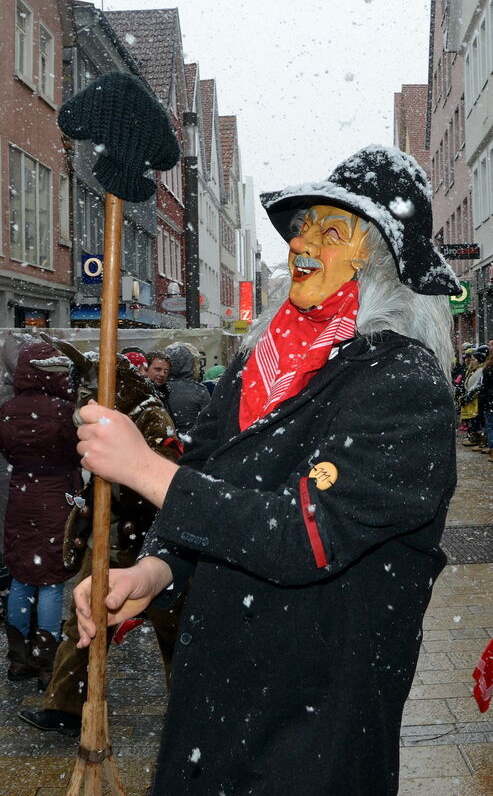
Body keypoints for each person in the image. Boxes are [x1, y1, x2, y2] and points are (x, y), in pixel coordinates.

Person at [74, 145, 459, 796]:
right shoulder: (260, 366)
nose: (302, 242)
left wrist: (142, 469)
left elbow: (305, 534)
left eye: (330, 230)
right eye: (301, 226)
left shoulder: (404, 385)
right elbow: (204, 478)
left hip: (314, 727)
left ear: (384, 264)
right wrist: (156, 568)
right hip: (209, 702)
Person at [18, 348, 186, 736]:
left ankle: (188, 709)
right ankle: (65, 705)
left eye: (92, 391)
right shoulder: (109, 415)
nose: (84, 400)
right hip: (107, 535)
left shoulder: (149, 414)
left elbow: (163, 476)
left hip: (150, 538)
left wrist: (124, 479)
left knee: (172, 627)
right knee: (86, 622)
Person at [0, 340, 81, 689]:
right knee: (50, 578)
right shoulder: (65, 410)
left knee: (21, 575)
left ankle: (18, 657)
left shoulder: (7, 409)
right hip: (55, 497)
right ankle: (46, 657)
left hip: (20, 496)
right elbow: (77, 452)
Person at [164, 343, 210, 434]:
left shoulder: (157, 388)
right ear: (189, 364)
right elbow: (208, 422)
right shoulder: (199, 390)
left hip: (165, 442)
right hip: (192, 442)